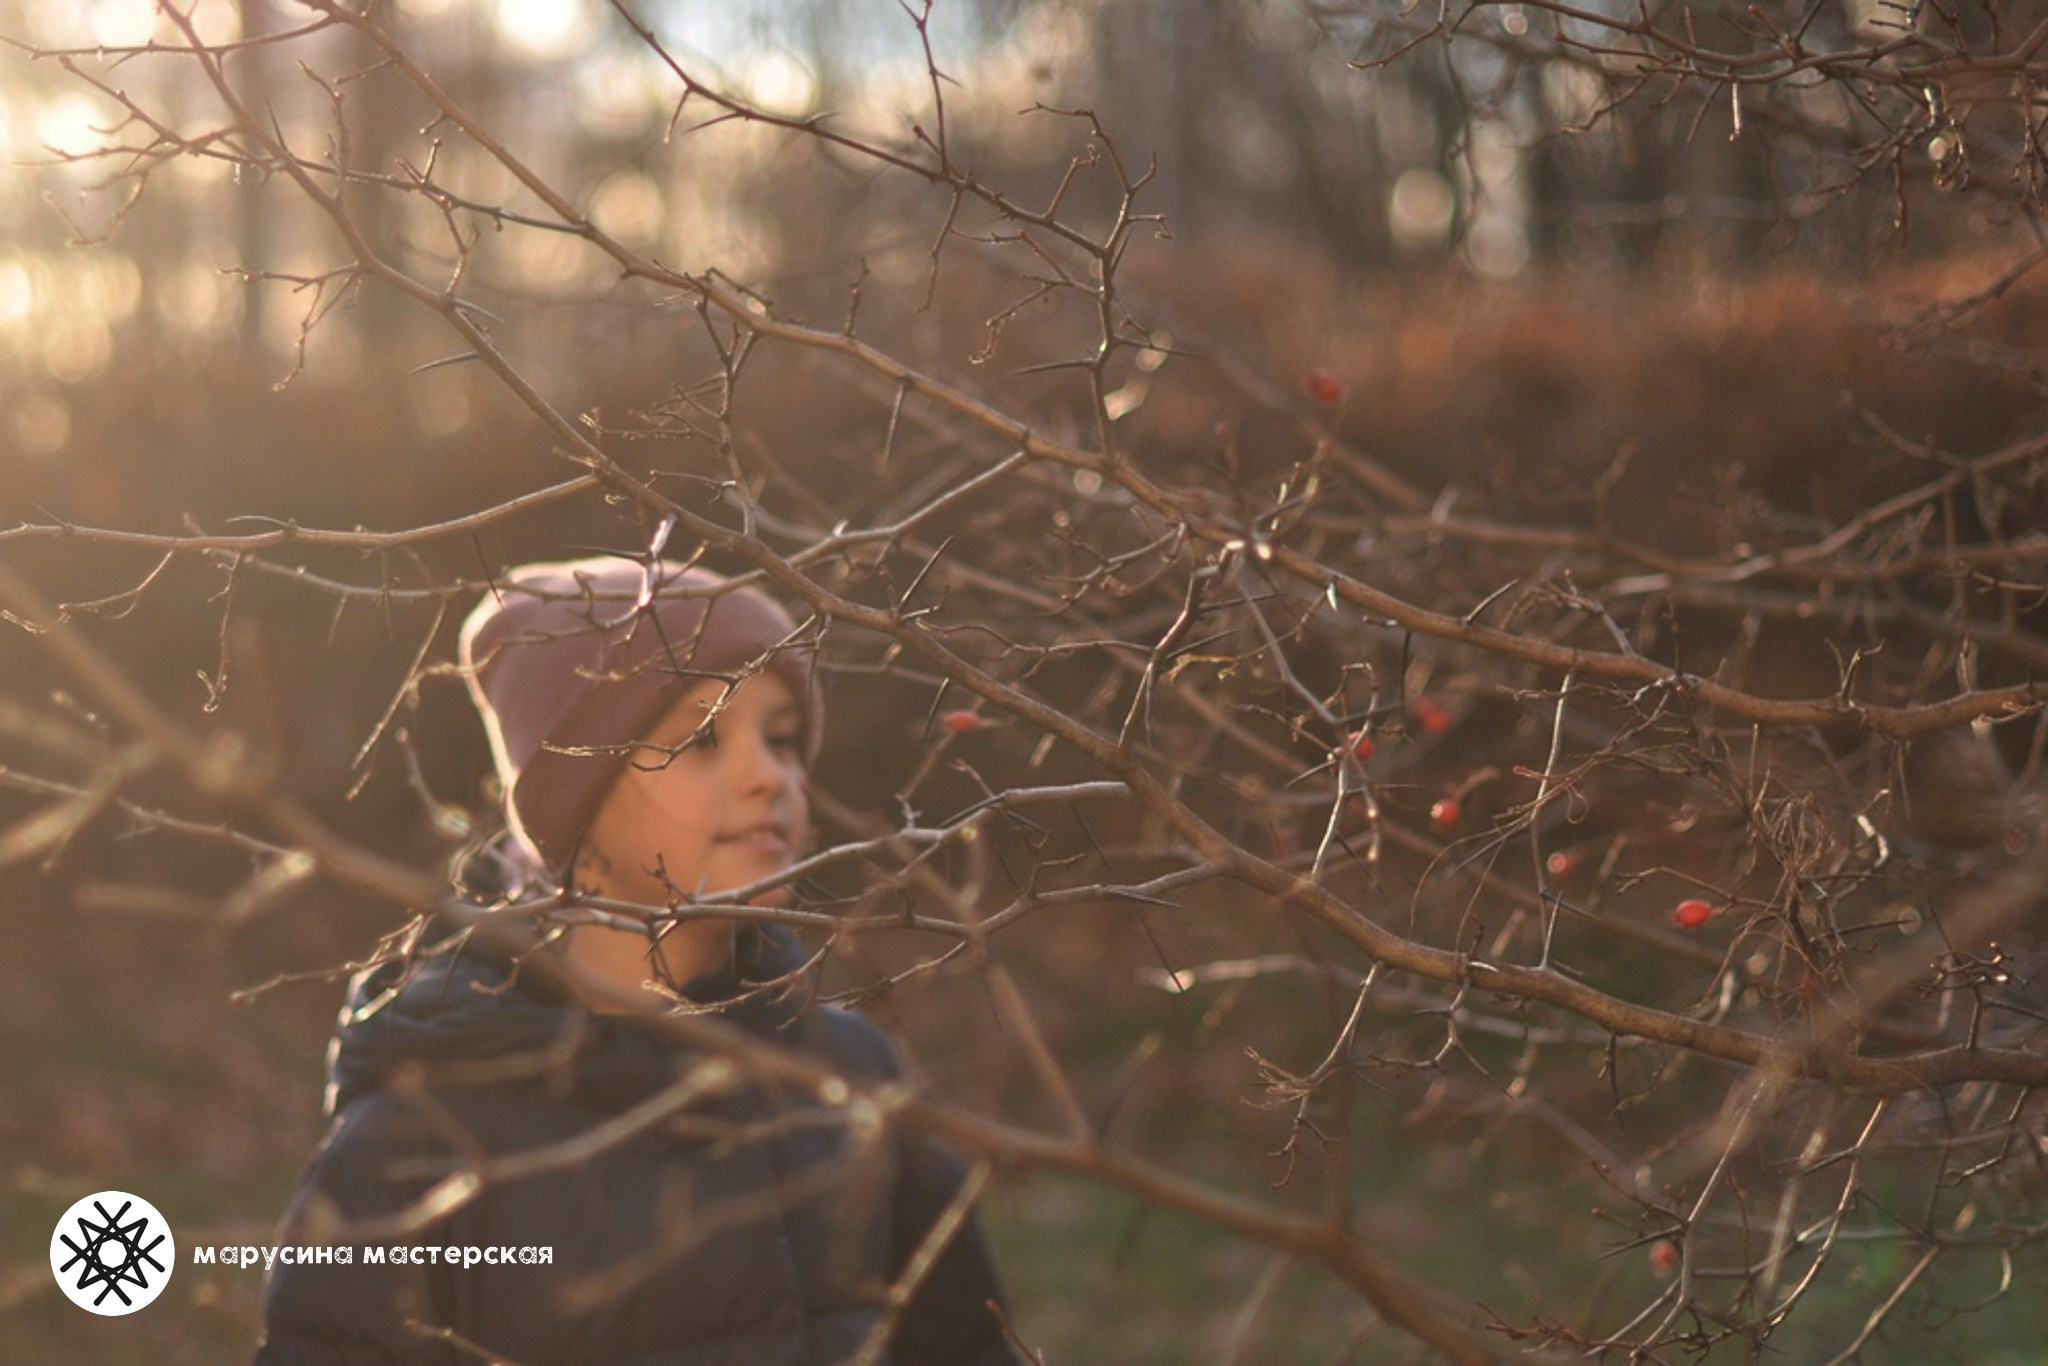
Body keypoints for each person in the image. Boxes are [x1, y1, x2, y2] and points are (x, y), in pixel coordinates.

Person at [256, 556, 1018, 1364]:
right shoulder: (418, 1145)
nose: (773, 777)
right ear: (571, 797)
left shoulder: (850, 1077)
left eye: (784, 739)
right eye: (702, 738)